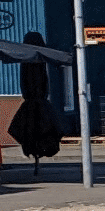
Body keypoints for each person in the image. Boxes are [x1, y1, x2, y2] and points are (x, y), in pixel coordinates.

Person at [8, 34, 62, 176]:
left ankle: (35, 150)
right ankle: (38, 150)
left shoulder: (28, 60)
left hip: (35, 101)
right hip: (37, 101)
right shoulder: (39, 60)